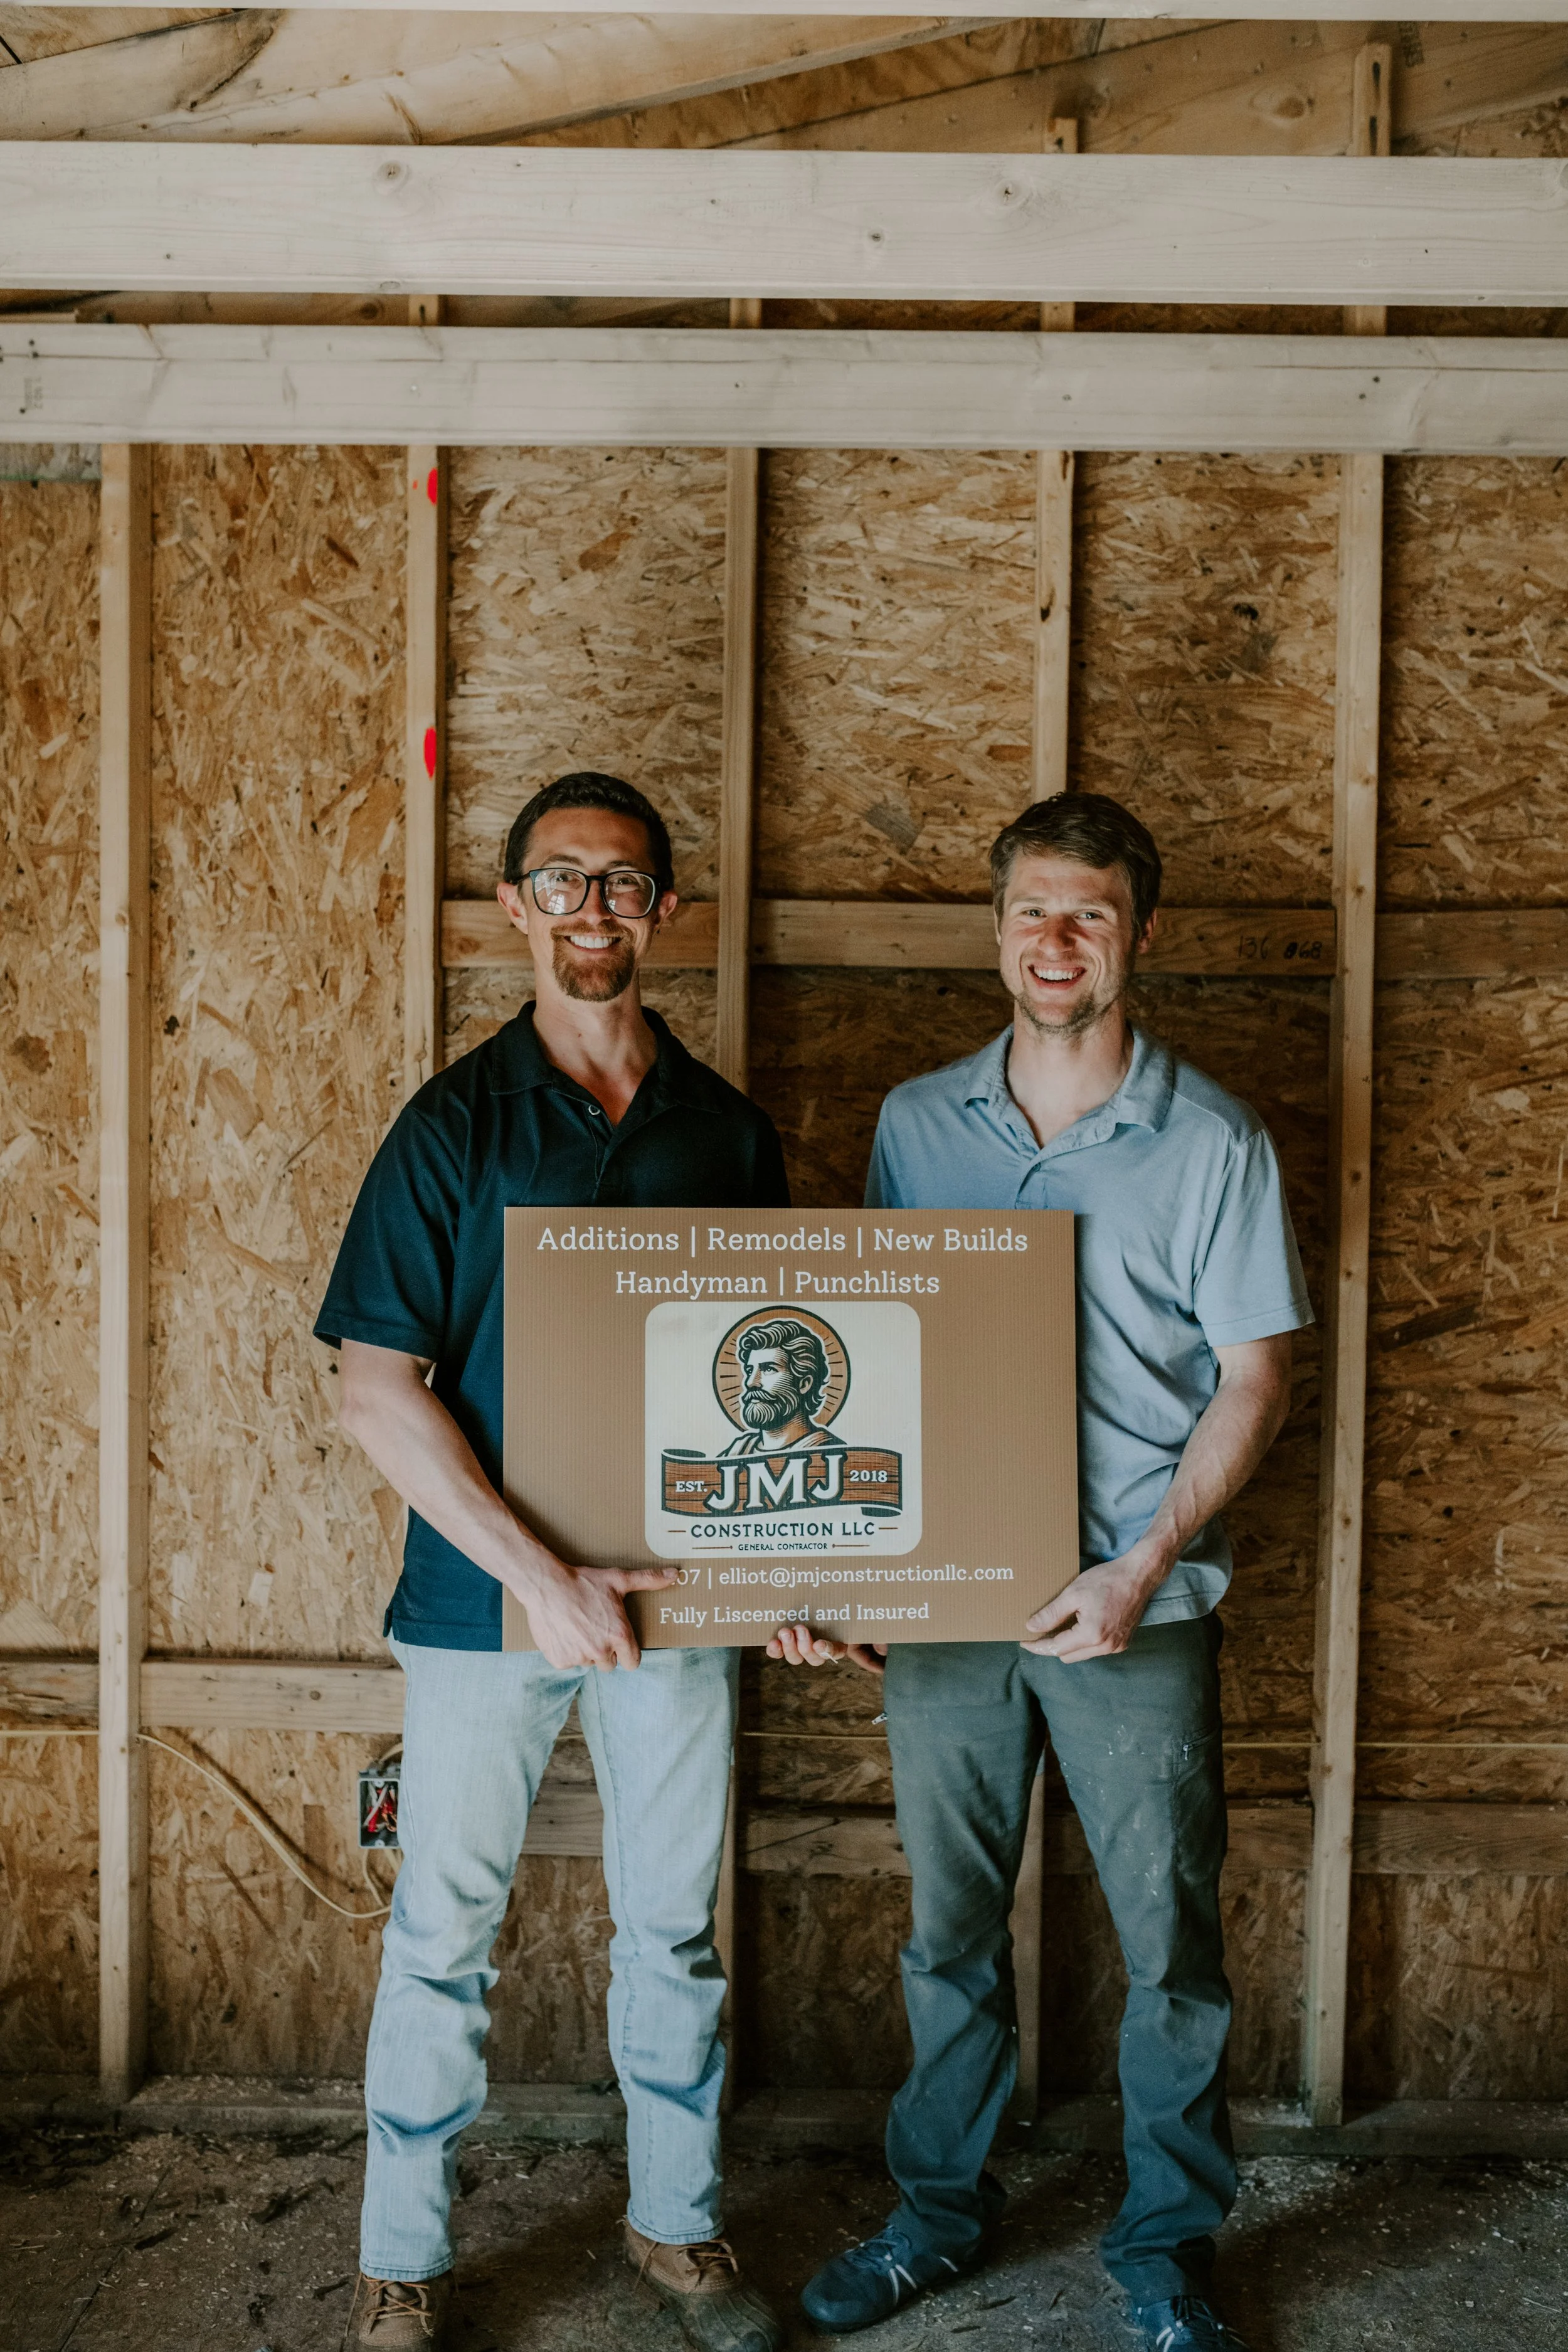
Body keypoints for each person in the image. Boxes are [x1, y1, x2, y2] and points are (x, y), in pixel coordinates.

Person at [770, 793, 1311, 2351]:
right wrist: (840, 1566)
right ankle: (937, 2210)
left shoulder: (1211, 1138)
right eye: (1030, 909)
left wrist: (1143, 1563)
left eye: (1087, 911)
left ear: (1137, 932)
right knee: (946, 1927)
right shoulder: (919, 1120)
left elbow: (1255, 1375)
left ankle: (1165, 2245)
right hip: (946, 1598)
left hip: (1130, 1601)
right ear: (996, 928)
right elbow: (868, 1358)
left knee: (1170, 1940)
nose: (1054, 938)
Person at [316, 772, 788, 2352]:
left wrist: (792, 1578)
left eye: (625, 883)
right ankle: (401, 2259)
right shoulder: (453, 1125)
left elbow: (783, 1377)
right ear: (513, 905)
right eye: (564, 881)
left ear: (665, 908)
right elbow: (375, 1388)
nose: (595, 910)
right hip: (479, 1608)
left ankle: (678, 2224)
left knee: (675, 1922)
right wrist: (541, 1573)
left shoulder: (725, 1130)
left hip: (680, 1602)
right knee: (444, 1930)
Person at [720, 1319, 839, 1456]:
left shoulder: (831, 1454)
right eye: (749, 1371)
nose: (751, 1382)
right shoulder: (735, 1454)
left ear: (804, 1384)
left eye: (768, 1369)